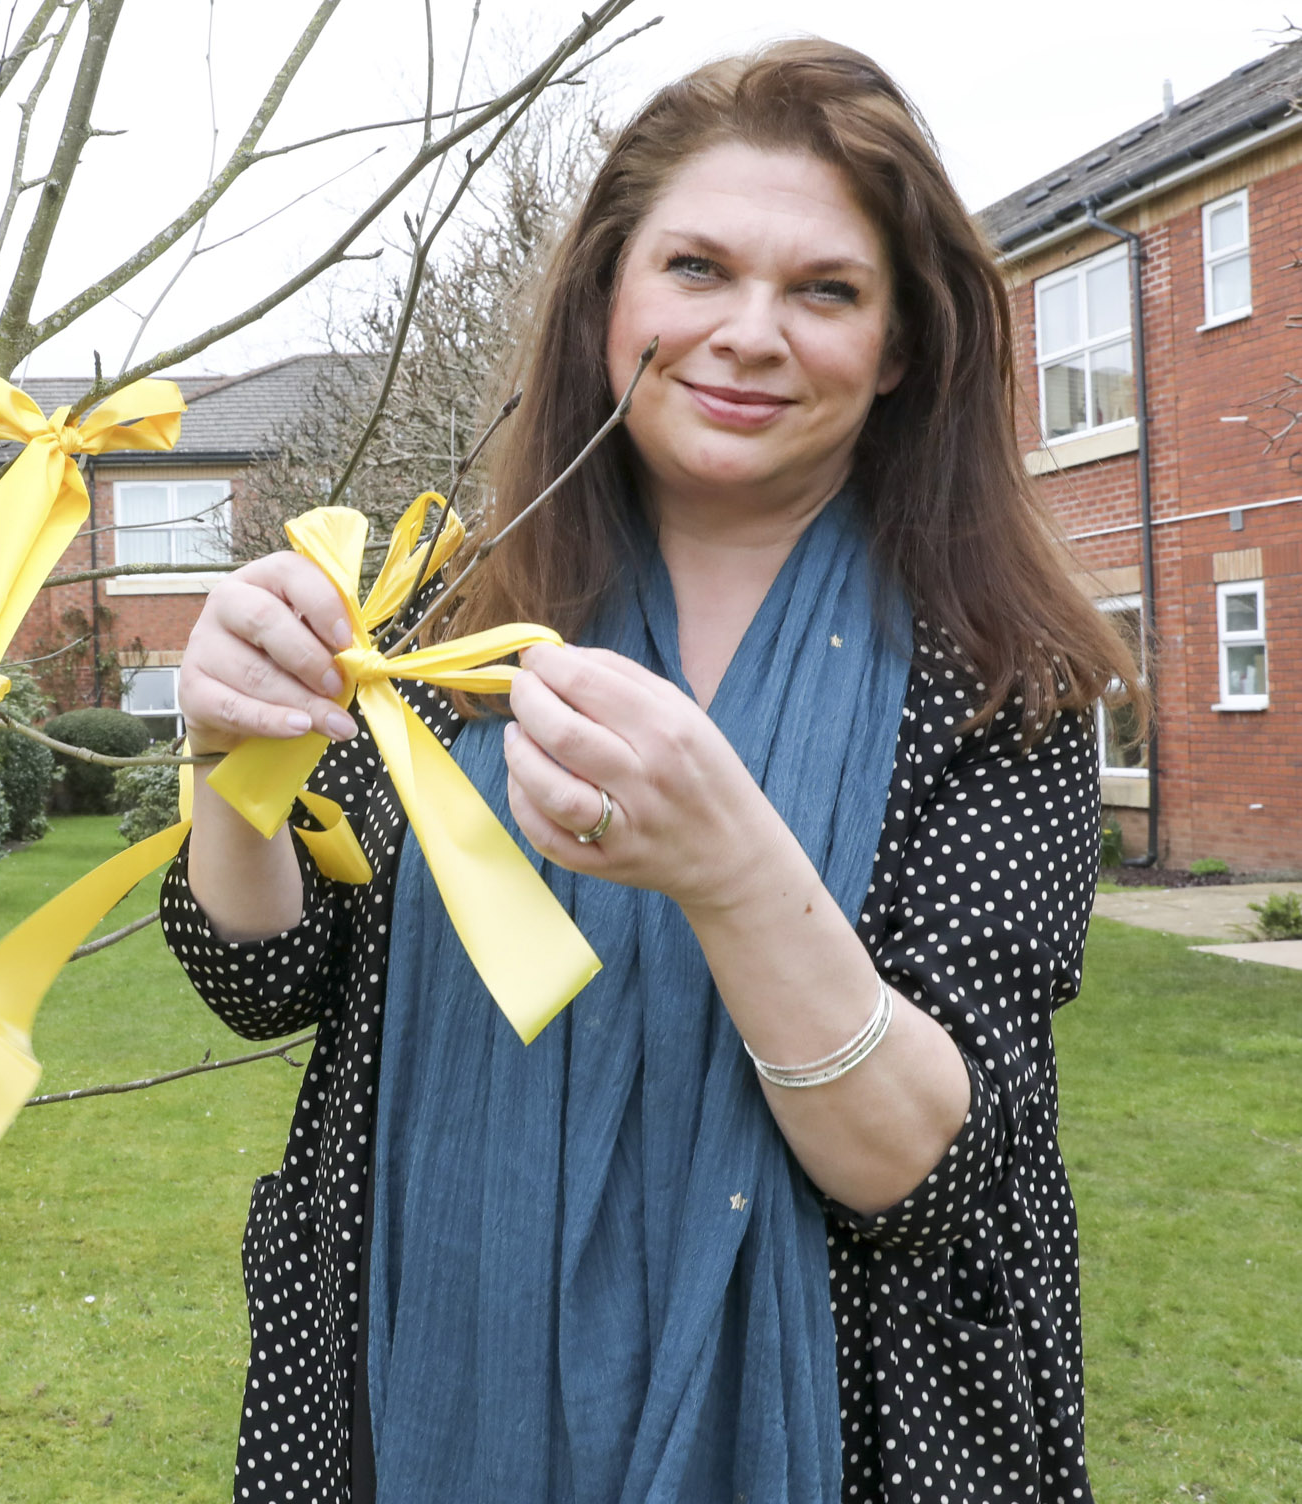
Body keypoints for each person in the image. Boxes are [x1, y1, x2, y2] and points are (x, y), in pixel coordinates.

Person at [162, 40, 1133, 1504]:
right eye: (694, 269)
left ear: (900, 348)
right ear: (605, 302)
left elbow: (920, 1171)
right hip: (401, 1387)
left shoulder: (1001, 680)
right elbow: (262, 979)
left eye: (824, 290)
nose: (749, 333)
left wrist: (729, 864)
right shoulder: (440, 616)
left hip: (854, 1414)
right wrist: (227, 754)